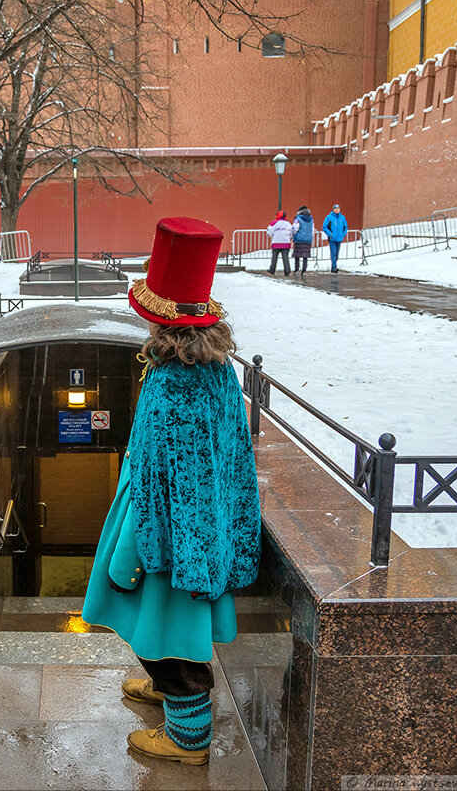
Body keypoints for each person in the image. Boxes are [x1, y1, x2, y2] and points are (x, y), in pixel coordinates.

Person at [82, 216, 262, 767]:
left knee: (166, 624)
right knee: (155, 621)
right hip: (193, 527)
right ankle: (166, 690)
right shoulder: (214, 369)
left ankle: (188, 738)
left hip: (168, 534)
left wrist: (143, 549)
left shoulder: (173, 383)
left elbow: (170, 480)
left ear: (163, 324)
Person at [322, 203, 349, 274]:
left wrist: (343, 234)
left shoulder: (342, 218)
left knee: (337, 254)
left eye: (338, 209)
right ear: (333, 209)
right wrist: (330, 234)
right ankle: (334, 267)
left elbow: (345, 227)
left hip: (339, 238)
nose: (337, 210)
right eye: (335, 208)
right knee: (333, 253)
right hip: (332, 239)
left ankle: (334, 265)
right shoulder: (329, 217)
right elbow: (324, 227)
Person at [266, 211, 293, 276]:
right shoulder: (288, 223)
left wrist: (272, 236)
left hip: (276, 242)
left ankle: (272, 270)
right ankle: (287, 271)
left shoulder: (274, 223)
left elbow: (269, 231)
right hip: (286, 243)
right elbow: (291, 233)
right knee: (285, 258)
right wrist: (289, 238)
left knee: (274, 257)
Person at [291, 205, 314, 276]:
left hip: (299, 239)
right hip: (308, 240)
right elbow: (312, 230)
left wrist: (294, 235)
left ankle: (297, 269)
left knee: (297, 255)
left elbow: (295, 228)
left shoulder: (298, 219)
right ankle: (304, 270)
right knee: (305, 256)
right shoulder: (311, 219)